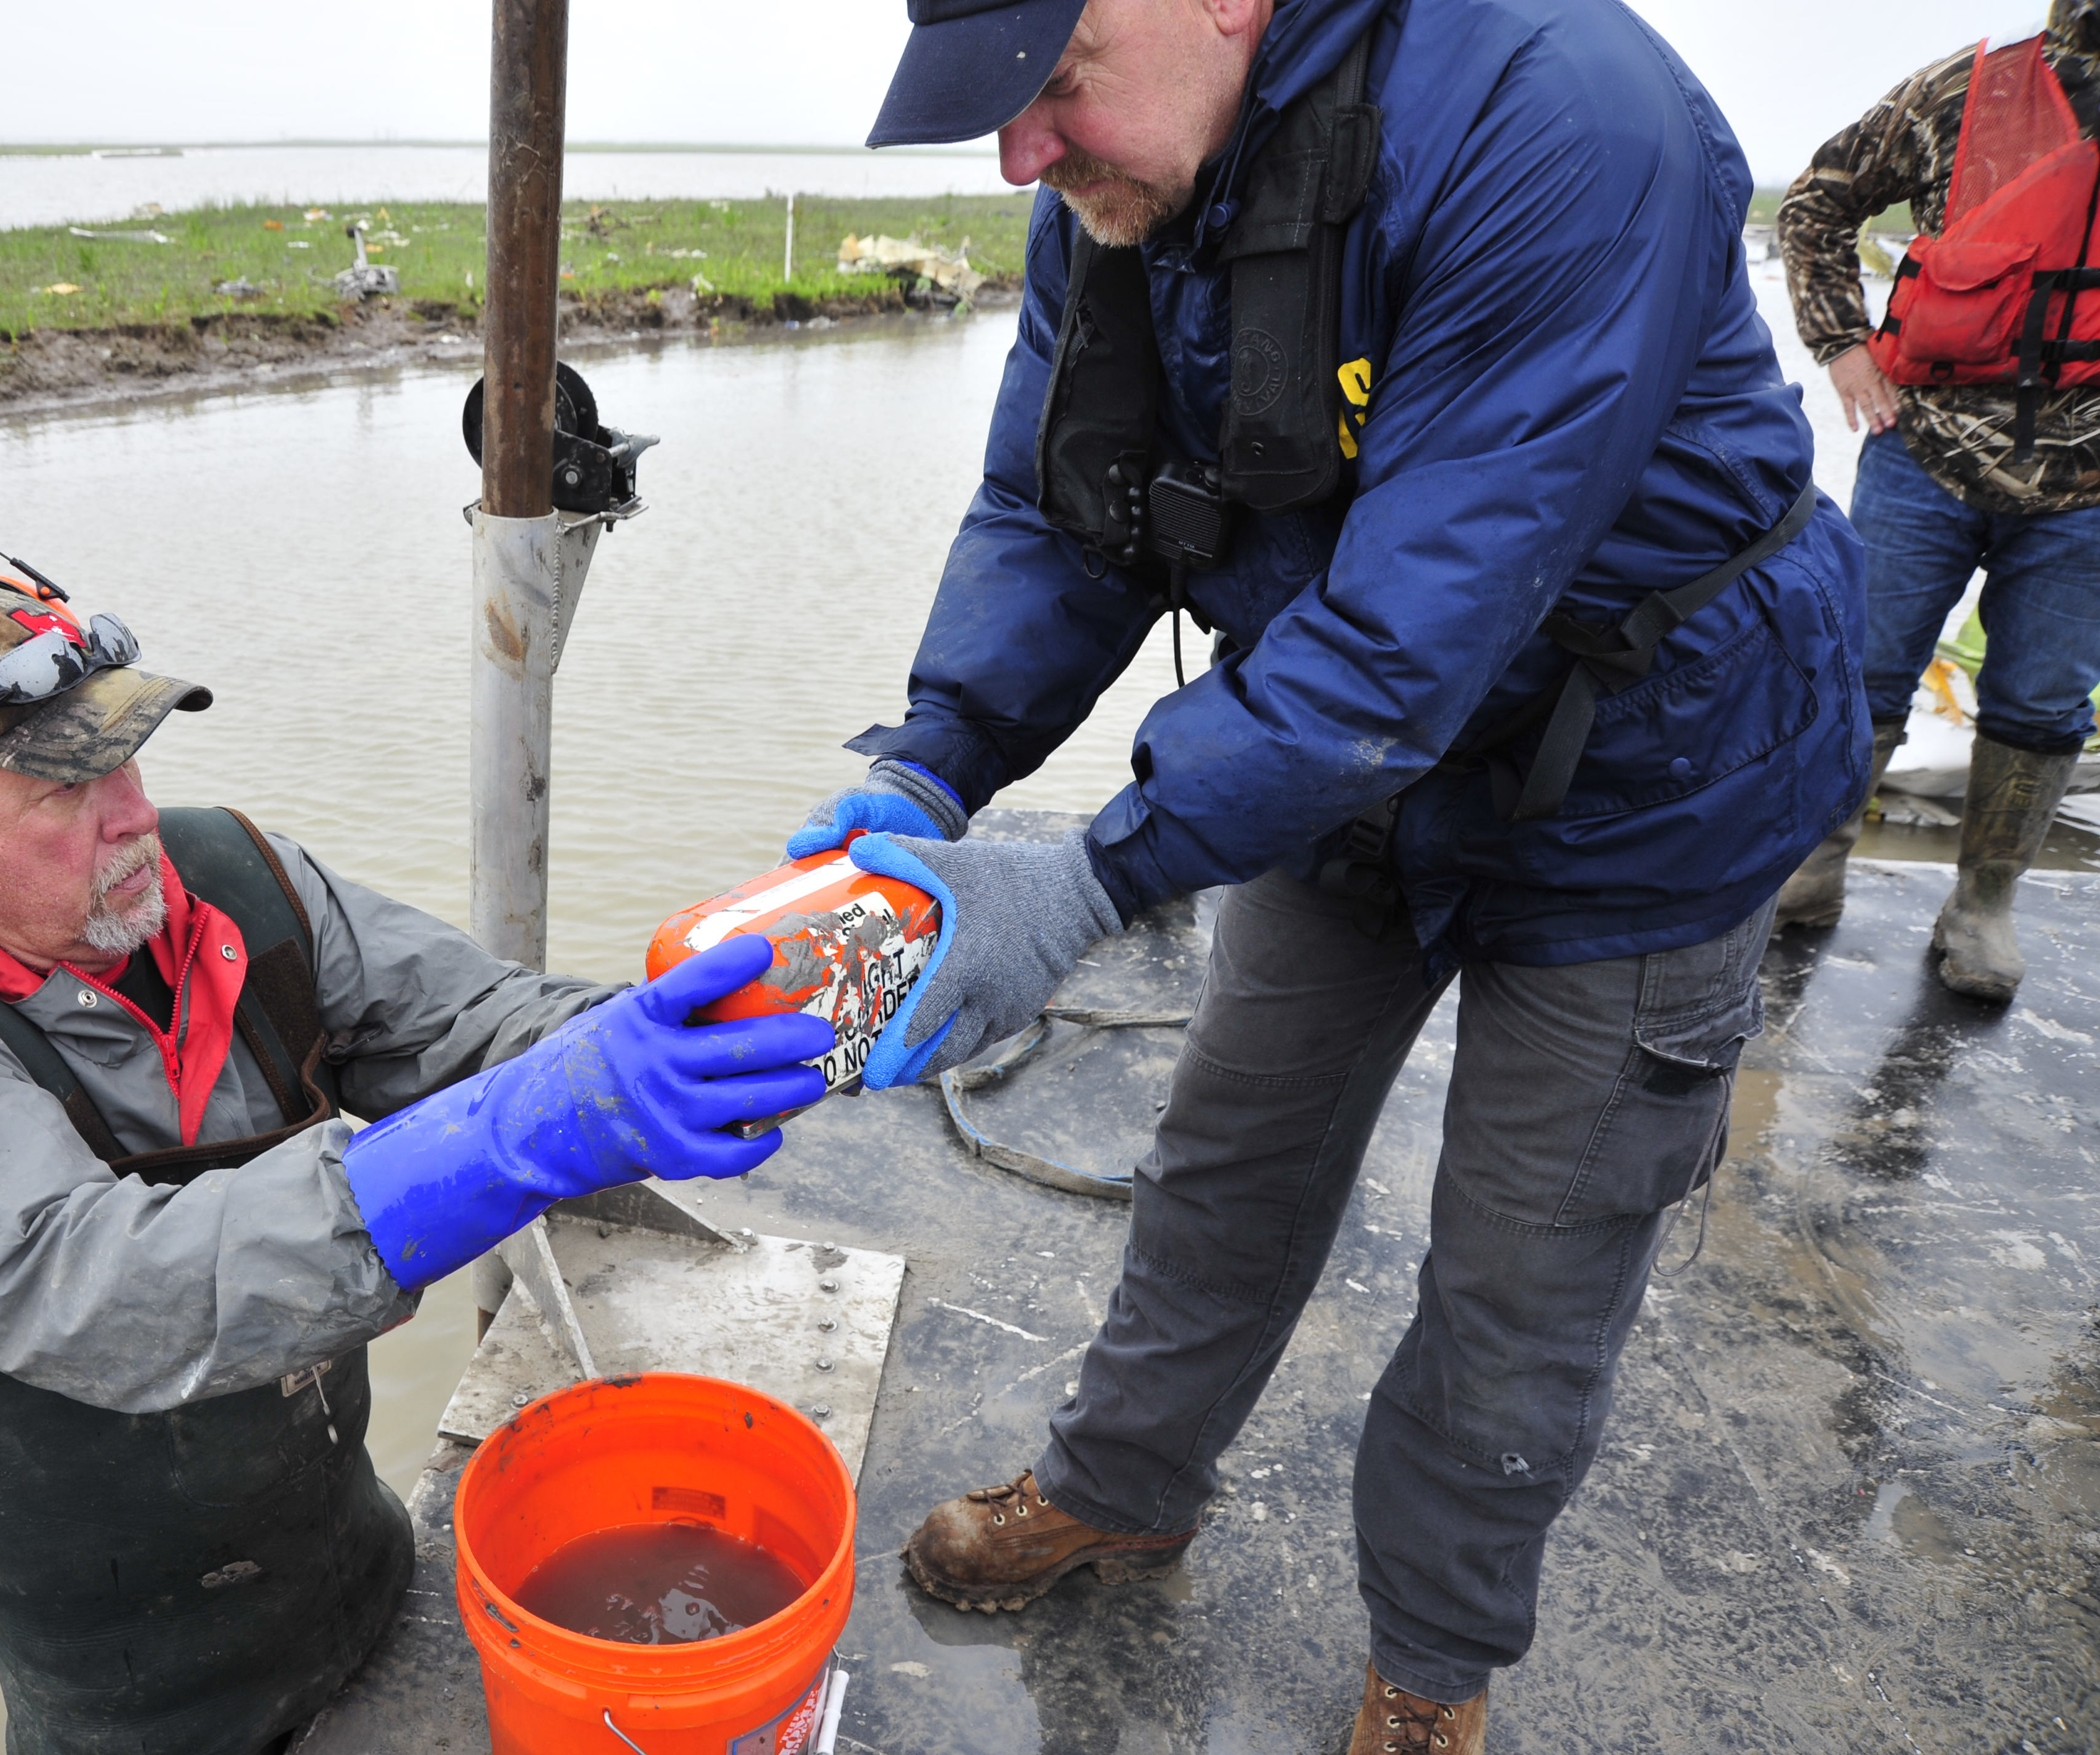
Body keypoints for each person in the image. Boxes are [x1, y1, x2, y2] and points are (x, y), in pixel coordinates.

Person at [797, 0, 1868, 1748]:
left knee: (1520, 1273)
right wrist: (936, 760)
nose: (1021, 153)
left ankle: (1431, 1676)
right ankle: (1122, 1485)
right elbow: (1065, 504)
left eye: (1053, 85)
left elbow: (1414, 632)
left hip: (1648, 779)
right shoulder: (1125, 174)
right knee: (1228, 1151)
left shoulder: (1561, 116)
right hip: (1343, 762)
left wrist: (1078, 888)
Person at [0, 542, 832, 1755]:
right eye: (66, 789)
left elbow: (475, 1024)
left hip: (358, 1574)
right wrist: (499, 1145)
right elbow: (96, 1292)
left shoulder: (233, 880)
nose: (134, 814)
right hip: (139, 1704)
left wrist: (698, 1027)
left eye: (127, 755)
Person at [1773, 1, 2100, 1000]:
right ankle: (1811, 867)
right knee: (1862, 668)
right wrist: (1841, 348)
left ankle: (1983, 905)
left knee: (2042, 699)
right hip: (1924, 451)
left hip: (2090, 488)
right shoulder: (1967, 88)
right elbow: (1816, 205)